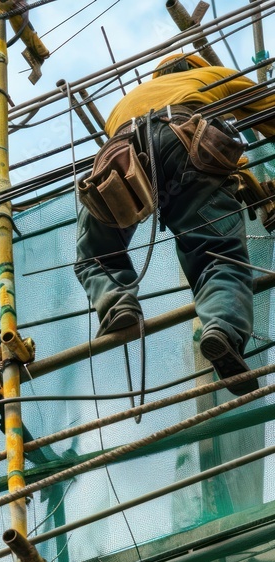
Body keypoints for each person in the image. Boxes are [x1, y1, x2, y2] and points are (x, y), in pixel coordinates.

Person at [74, 53, 274, 396]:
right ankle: (222, 329)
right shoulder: (212, 76)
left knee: (98, 251)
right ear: (195, 69)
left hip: (118, 154)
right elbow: (268, 107)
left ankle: (116, 302)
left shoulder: (125, 101)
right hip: (185, 141)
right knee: (216, 254)